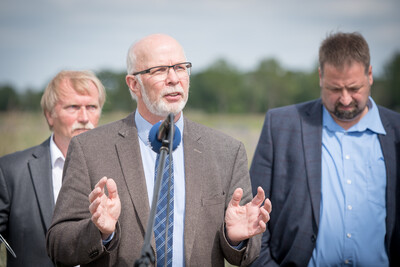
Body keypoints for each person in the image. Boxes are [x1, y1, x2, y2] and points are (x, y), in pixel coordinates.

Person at [46, 33, 272, 267]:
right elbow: (57, 245)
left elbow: (250, 249)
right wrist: (100, 232)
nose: (174, 79)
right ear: (134, 84)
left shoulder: (227, 151)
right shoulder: (89, 149)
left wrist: (235, 238)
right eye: (159, 70)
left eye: (181, 68)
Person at [250, 31, 400, 266]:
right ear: (320, 76)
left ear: (370, 75)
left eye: (354, 88)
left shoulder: (397, 132)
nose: (345, 99)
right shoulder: (280, 126)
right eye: (334, 89)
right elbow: (253, 215)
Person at [0, 70, 106, 267]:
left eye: (92, 106)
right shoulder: (10, 171)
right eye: (73, 107)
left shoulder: (115, 164)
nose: (84, 117)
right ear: (50, 115)